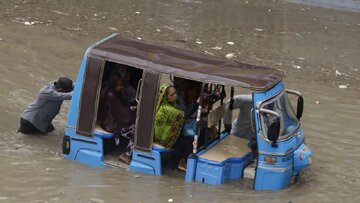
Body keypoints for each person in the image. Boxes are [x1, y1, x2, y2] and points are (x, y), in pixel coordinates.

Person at [100, 73, 136, 164]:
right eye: (118, 85)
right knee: (134, 134)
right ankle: (126, 155)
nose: (121, 87)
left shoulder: (114, 93)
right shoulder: (112, 95)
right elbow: (124, 115)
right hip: (112, 124)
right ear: (113, 85)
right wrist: (132, 110)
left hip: (113, 121)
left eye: (121, 85)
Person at [153, 84, 184, 149]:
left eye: (175, 93)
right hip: (163, 141)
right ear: (165, 97)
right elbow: (181, 114)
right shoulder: (165, 109)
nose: (175, 96)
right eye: (171, 95)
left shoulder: (172, 105)